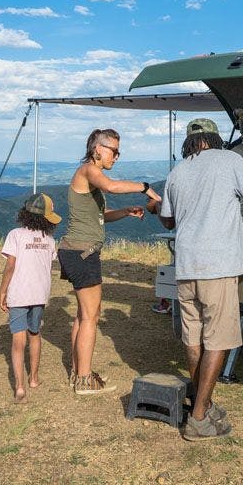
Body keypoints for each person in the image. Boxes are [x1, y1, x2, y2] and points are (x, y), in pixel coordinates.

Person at [151, 117, 243, 441]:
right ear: (215, 139)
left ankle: (202, 404)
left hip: (187, 265)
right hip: (217, 265)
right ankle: (199, 418)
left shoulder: (178, 172)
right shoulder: (230, 160)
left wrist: (156, 207)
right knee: (217, 340)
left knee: (194, 339)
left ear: (189, 143)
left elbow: (167, 221)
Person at [62, 128, 161, 395]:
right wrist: (146, 188)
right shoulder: (88, 171)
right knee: (91, 317)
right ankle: (83, 381)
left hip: (78, 251)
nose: (116, 156)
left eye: (119, 152)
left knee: (83, 316)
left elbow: (100, 215)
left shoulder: (88, 177)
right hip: (83, 253)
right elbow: (112, 186)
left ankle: (78, 372)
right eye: (113, 151)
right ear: (97, 149)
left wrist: (125, 212)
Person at [0, 193, 61, 403]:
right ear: (46, 219)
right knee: (35, 334)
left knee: (18, 341)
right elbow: (47, 266)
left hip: (19, 293)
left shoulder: (15, 235)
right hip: (40, 293)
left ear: (24, 214)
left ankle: (20, 387)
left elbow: (10, 265)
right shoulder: (49, 240)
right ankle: (34, 378)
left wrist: (3, 291)